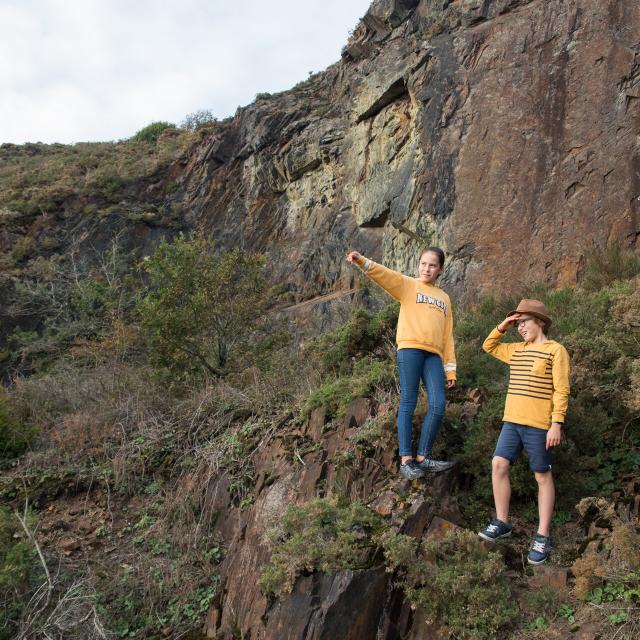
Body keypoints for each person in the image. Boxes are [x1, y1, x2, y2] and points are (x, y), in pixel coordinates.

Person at [346, 247, 457, 480]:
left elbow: (448, 336)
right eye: (423, 264)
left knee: (438, 404)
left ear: (440, 270)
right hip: (410, 349)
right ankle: (406, 460)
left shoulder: (444, 299)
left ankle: (423, 458)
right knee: (409, 400)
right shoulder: (408, 285)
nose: (426, 269)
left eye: (432, 265)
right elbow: (385, 275)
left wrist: (450, 369)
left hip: (433, 356)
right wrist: (362, 261)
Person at [477, 299, 570, 565]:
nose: (520, 328)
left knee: (542, 475)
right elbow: (488, 346)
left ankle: (543, 535)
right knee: (498, 464)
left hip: (540, 425)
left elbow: (562, 390)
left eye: (524, 322)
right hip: (512, 422)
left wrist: (556, 423)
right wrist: (503, 325)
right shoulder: (516, 350)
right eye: (517, 324)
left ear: (540, 322)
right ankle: (502, 522)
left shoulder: (556, 351)